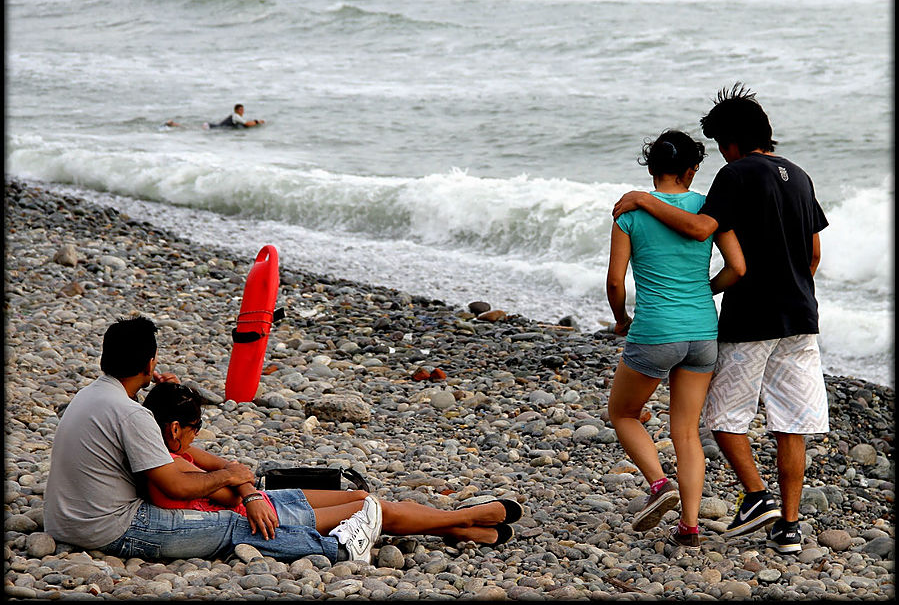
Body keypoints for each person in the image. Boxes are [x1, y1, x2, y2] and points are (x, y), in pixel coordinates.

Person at [43, 316, 519, 565]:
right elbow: (181, 486)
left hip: (70, 521)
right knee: (239, 532)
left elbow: (167, 448)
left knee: (341, 503)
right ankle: (438, 525)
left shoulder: (96, 397)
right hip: (113, 528)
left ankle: (459, 525)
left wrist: (159, 394)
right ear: (147, 363)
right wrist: (236, 478)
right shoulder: (130, 415)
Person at [612, 84, 829, 554]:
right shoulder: (800, 174)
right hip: (802, 314)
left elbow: (700, 227)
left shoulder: (737, 175)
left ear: (730, 142)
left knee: (723, 419)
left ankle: (755, 496)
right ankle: (788, 528)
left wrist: (642, 199)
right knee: (792, 422)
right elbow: (813, 254)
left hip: (751, 318)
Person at [140, 381, 523, 552]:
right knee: (373, 509)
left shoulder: (165, 452)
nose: (196, 437)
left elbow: (234, 469)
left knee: (360, 495)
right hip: (266, 520)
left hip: (262, 503)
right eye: (195, 429)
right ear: (175, 428)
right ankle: (465, 519)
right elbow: (230, 484)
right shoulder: (172, 469)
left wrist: (248, 488)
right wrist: (245, 489)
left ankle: (456, 527)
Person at [606, 130, 746, 549]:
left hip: (655, 330)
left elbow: (615, 281)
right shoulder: (705, 207)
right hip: (703, 329)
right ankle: (689, 526)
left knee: (624, 413)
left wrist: (621, 319)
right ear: (693, 169)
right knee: (686, 430)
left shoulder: (629, 212)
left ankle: (658, 484)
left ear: (651, 168)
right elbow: (738, 267)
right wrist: (705, 291)